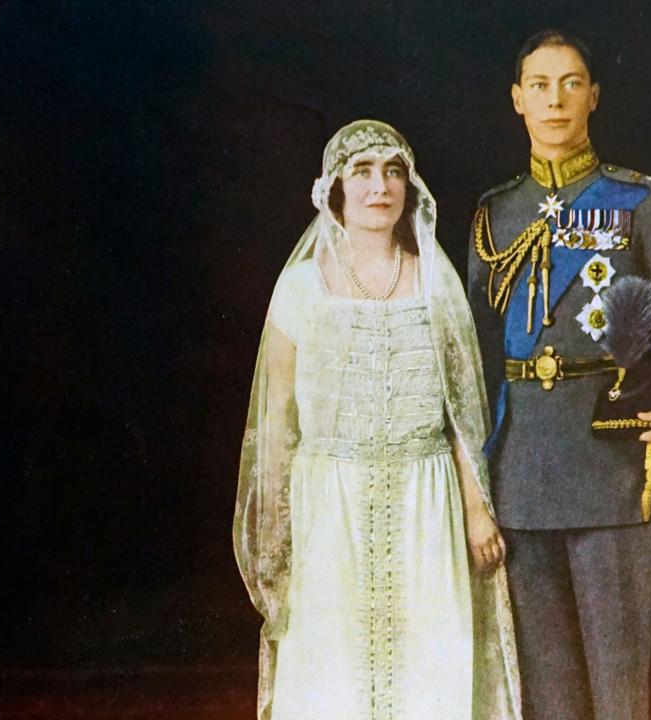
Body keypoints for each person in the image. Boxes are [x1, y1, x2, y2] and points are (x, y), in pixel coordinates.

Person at [467, 30, 651, 720]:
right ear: (516, 100)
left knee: (618, 697)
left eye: (570, 83)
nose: (555, 99)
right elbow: (467, 354)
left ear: (594, 96)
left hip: (613, 473)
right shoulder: (493, 215)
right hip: (520, 480)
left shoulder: (643, 204)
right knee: (546, 697)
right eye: (539, 84)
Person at [235, 120, 521, 720]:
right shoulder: (299, 288)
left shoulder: (435, 285)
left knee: (429, 667)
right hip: (331, 504)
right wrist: (281, 532)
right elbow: (276, 425)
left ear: (410, 187)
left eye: (394, 171)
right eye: (362, 172)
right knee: (331, 666)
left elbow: (461, 415)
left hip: (427, 500)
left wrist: (474, 510)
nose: (379, 187)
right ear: (335, 189)